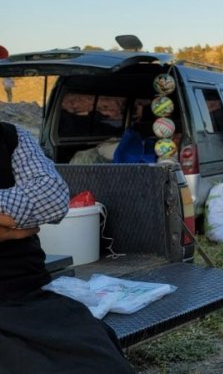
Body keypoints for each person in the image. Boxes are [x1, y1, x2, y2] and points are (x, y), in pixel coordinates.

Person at [0, 121, 134, 373]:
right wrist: (12, 219)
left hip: (27, 295)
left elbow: (52, 199)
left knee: (100, 360)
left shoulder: (11, 136)